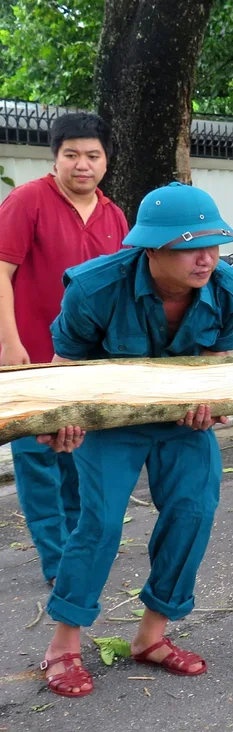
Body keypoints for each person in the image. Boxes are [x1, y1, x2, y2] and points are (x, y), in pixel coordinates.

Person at [37, 182, 233, 697]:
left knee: (194, 511)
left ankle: (151, 638)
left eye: (214, 244)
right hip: (112, 419)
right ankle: (63, 647)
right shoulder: (93, 288)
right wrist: (62, 420)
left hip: (182, 422)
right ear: (151, 249)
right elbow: (63, 368)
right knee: (102, 522)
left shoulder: (229, 290)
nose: (206, 259)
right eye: (189, 247)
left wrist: (210, 401)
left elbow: (215, 362)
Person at [0, 112, 129, 586]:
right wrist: (9, 343)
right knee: (38, 462)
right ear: (54, 158)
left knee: (82, 458)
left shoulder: (115, 215)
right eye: (71, 154)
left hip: (87, 363)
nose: (82, 164)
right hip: (31, 356)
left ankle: (80, 549)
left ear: (105, 160)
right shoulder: (27, 200)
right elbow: (1, 273)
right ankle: (57, 562)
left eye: (92, 155)